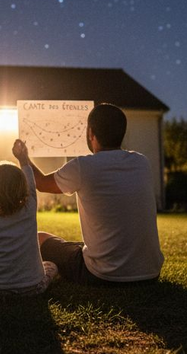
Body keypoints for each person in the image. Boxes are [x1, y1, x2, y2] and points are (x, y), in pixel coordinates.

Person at [27, 103, 164, 285]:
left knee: (39, 238)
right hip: (150, 274)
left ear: (90, 132)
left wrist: (23, 158)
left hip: (102, 275)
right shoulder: (142, 162)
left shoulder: (83, 166)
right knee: (78, 247)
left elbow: (42, 183)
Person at [0, 139, 58, 296]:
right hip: (34, 288)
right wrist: (23, 159)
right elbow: (31, 183)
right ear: (23, 190)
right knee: (50, 266)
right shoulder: (29, 211)